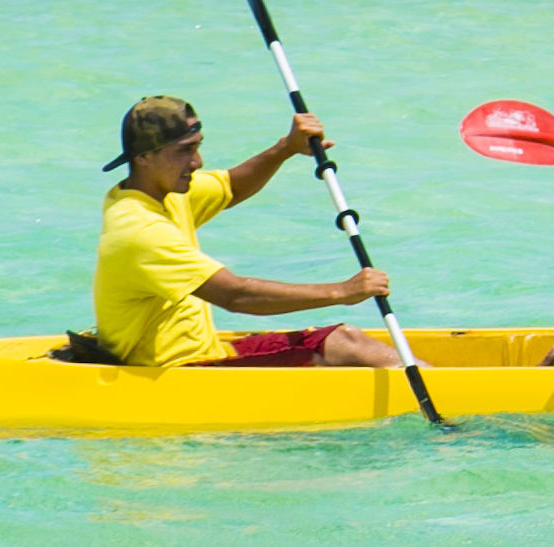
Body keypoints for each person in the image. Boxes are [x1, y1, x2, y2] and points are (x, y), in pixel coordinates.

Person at [91, 94, 406, 369]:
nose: (197, 161)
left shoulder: (162, 192)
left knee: (347, 340)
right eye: (184, 151)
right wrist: (343, 292)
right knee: (345, 346)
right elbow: (236, 295)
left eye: (197, 147)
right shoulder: (139, 229)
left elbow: (232, 186)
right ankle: (443, 403)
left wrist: (286, 148)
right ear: (144, 158)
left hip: (206, 353)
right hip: (177, 370)